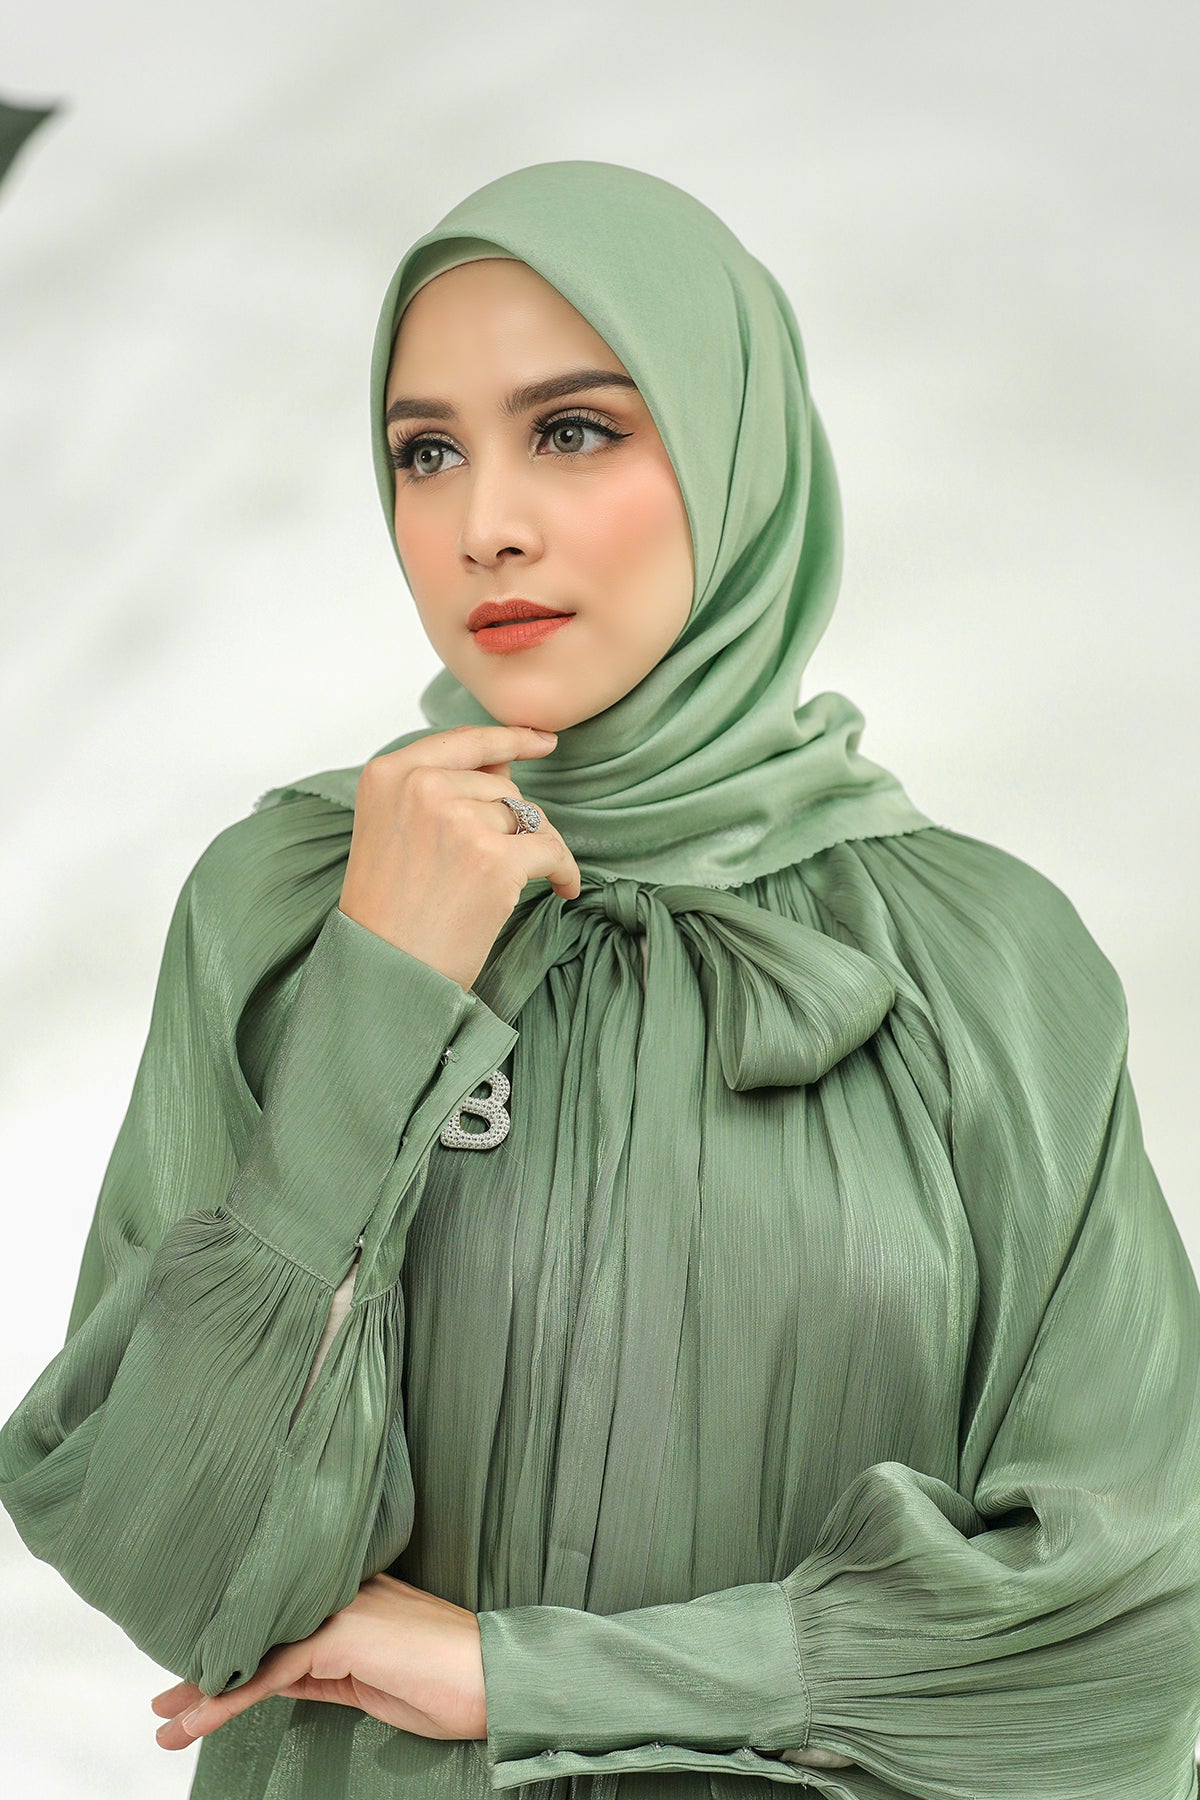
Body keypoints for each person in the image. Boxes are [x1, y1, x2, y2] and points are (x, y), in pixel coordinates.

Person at [2, 158, 1198, 1800]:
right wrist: (381, 994)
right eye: (426, 452)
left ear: (733, 455)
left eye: (571, 431)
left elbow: (1128, 1615)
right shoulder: (284, 907)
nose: (483, 522)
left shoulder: (985, 956)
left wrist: (525, 1678)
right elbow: (185, 1564)